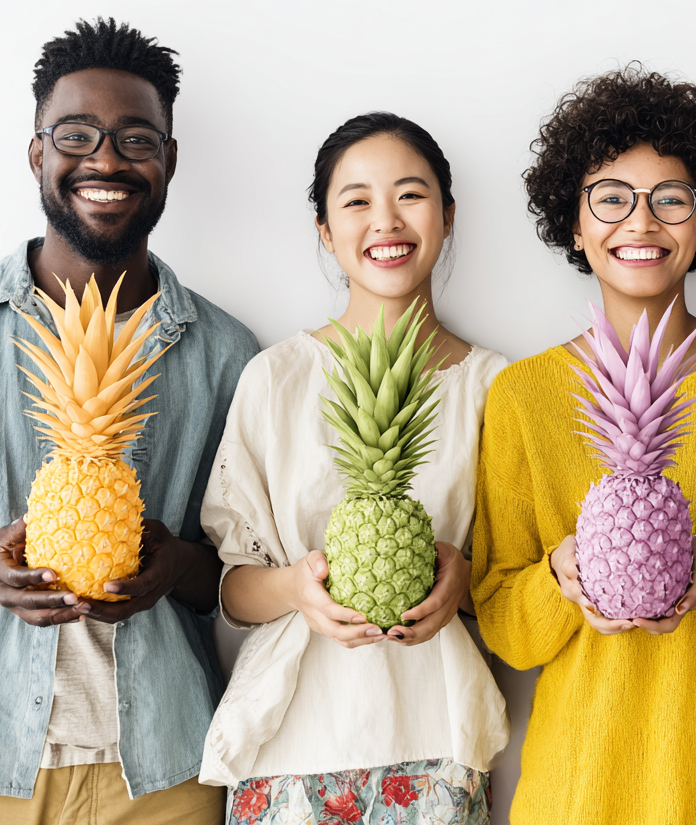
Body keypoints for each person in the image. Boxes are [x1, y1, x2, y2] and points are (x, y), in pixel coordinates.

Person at [471, 66, 696, 825]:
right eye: (611, 199)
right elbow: (505, 624)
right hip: (581, 787)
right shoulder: (525, 397)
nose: (640, 224)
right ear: (573, 223)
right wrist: (563, 573)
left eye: (670, 199)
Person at [0, 18, 259, 823]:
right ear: (38, 153)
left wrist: (177, 568)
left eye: (136, 139)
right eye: (76, 134)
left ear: (168, 161)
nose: (105, 159)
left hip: (164, 768)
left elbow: (245, 574)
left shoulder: (226, 353)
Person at [198, 113, 509, 824]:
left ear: (448, 215)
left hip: (438, 740)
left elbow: (523, 581)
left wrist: (465, 581)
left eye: (410, 194)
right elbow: (233, 593)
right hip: (290, 745)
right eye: (357, 200)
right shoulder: (275, 378)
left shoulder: (498, 388)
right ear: (324, 229)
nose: (386, 221)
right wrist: (296, 588)